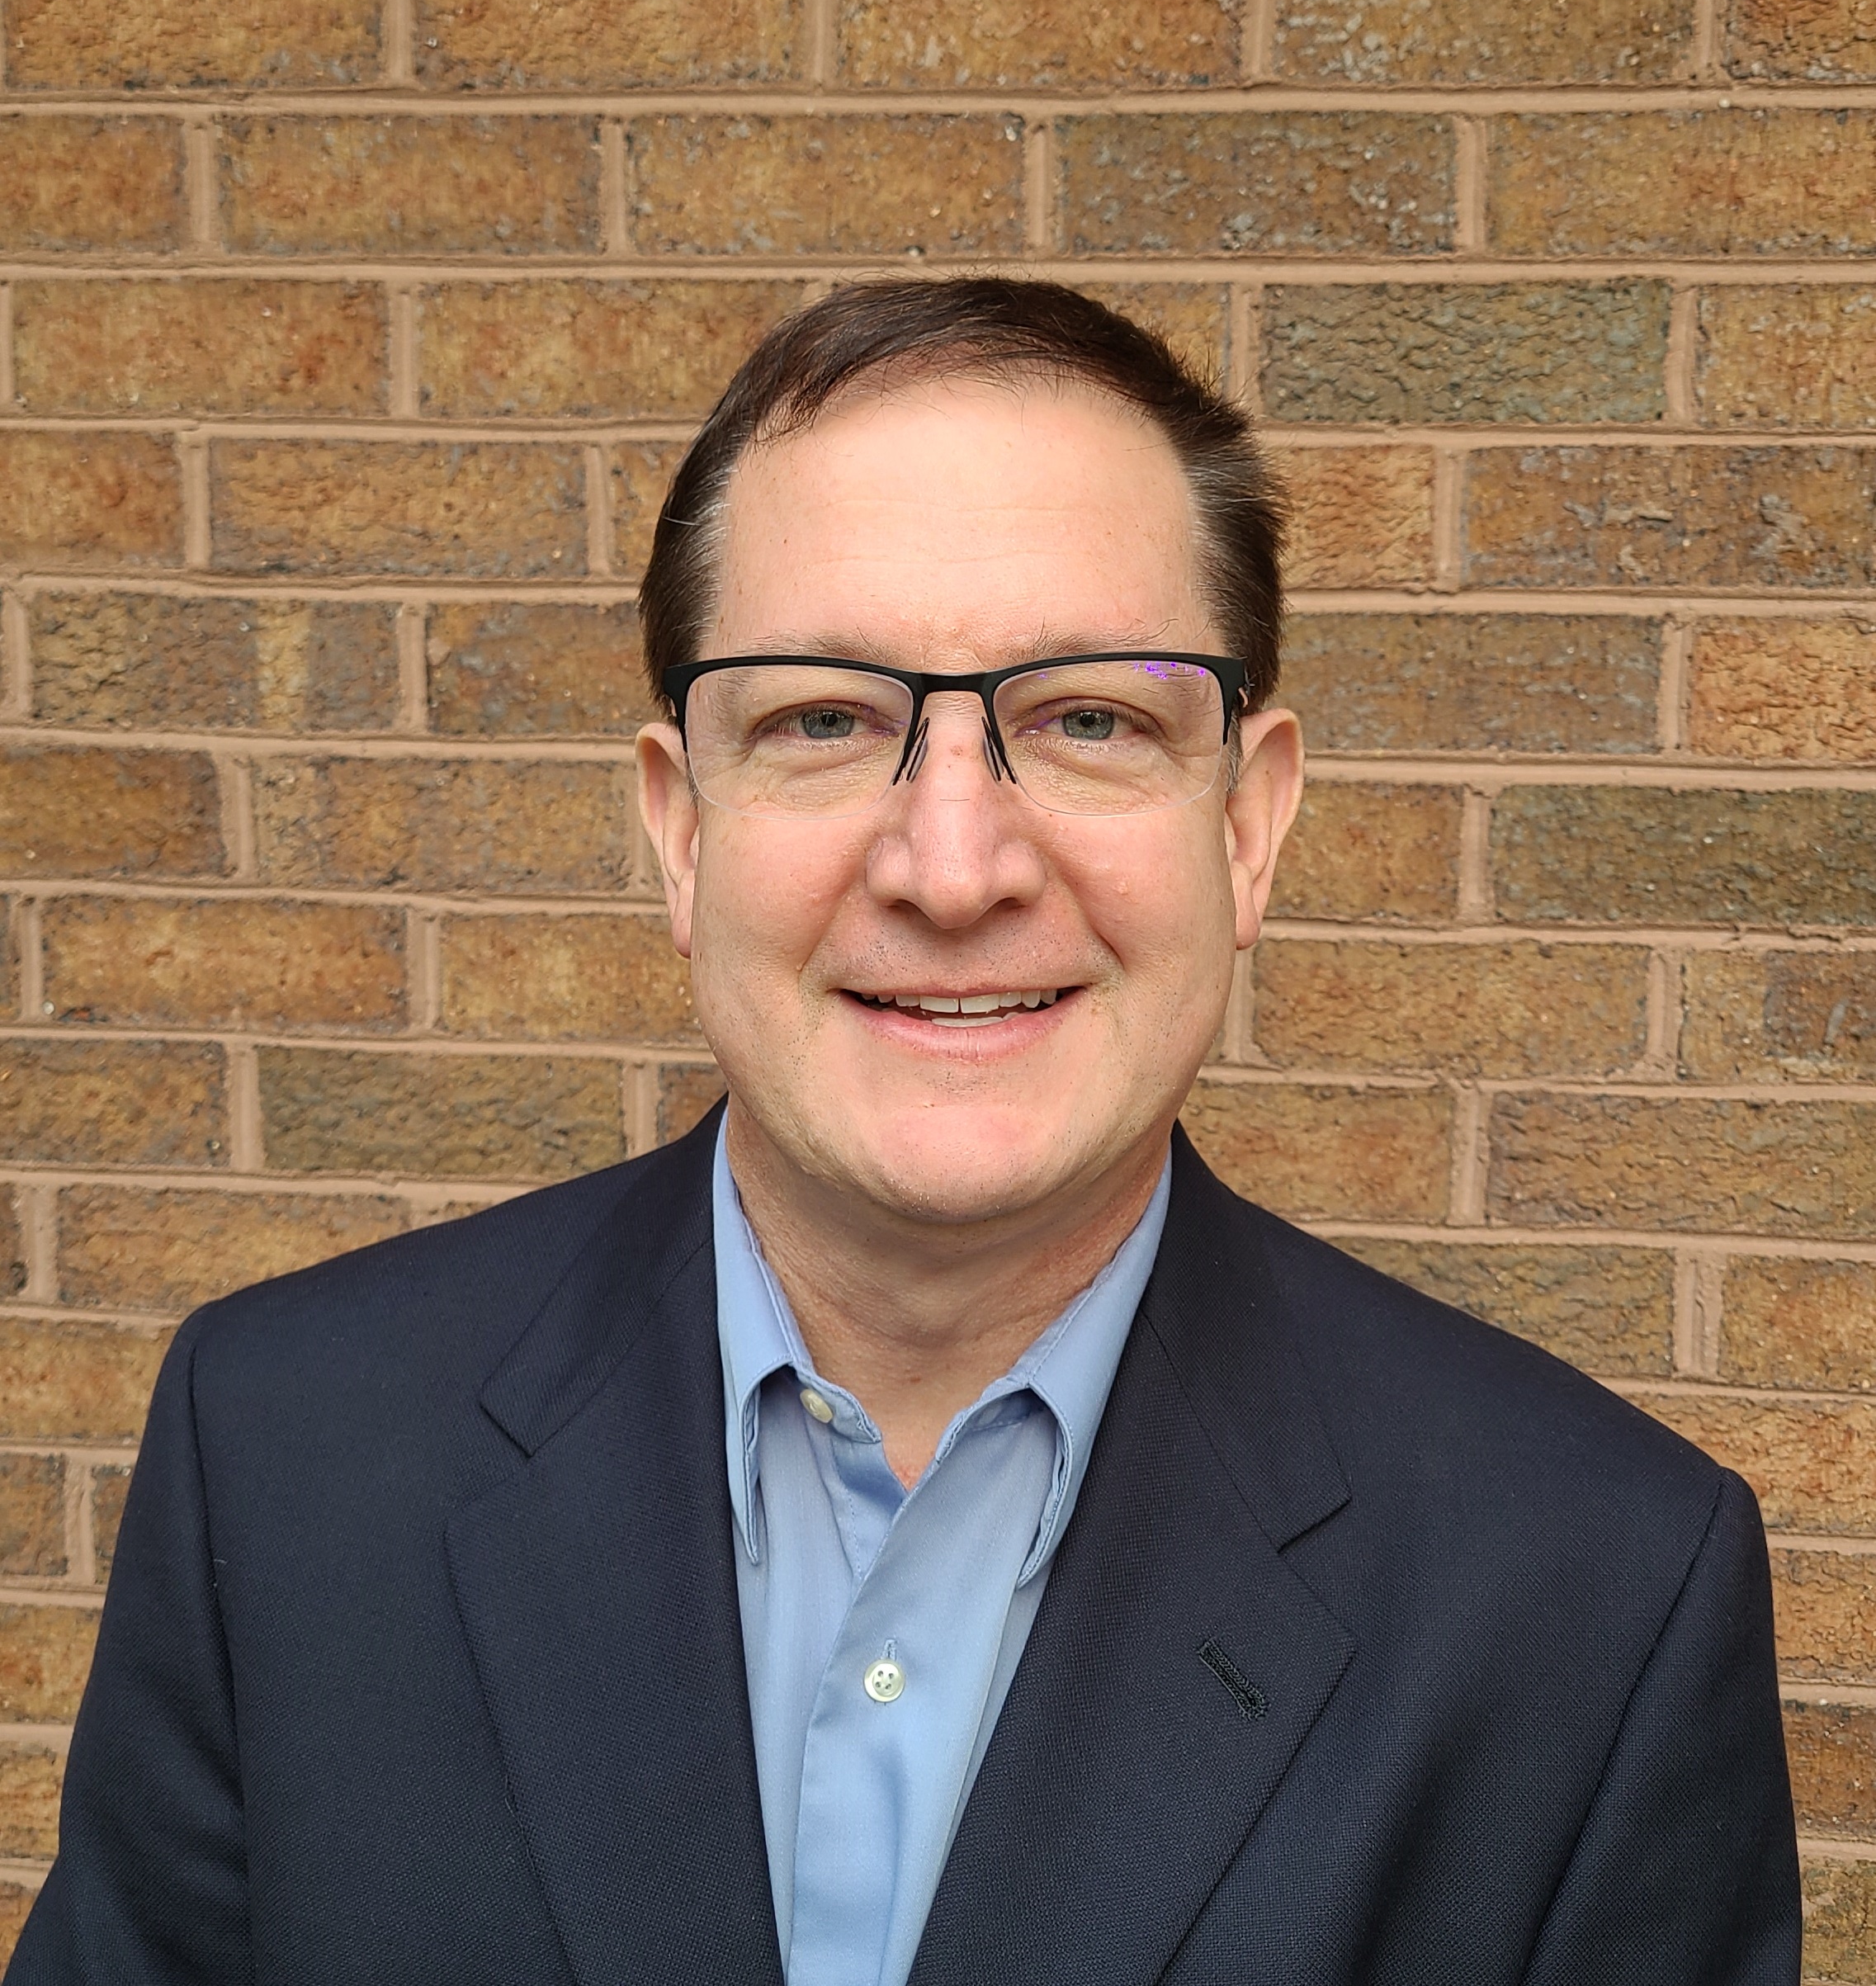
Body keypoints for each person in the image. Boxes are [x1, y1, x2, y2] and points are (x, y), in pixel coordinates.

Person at [9, 277, 1799, 1986]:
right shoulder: (290, 1459)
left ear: (1247, 829)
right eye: (827, 720)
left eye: (1090, 716)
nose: (954, 867)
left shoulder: (1594, 1598)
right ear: (679, 826)